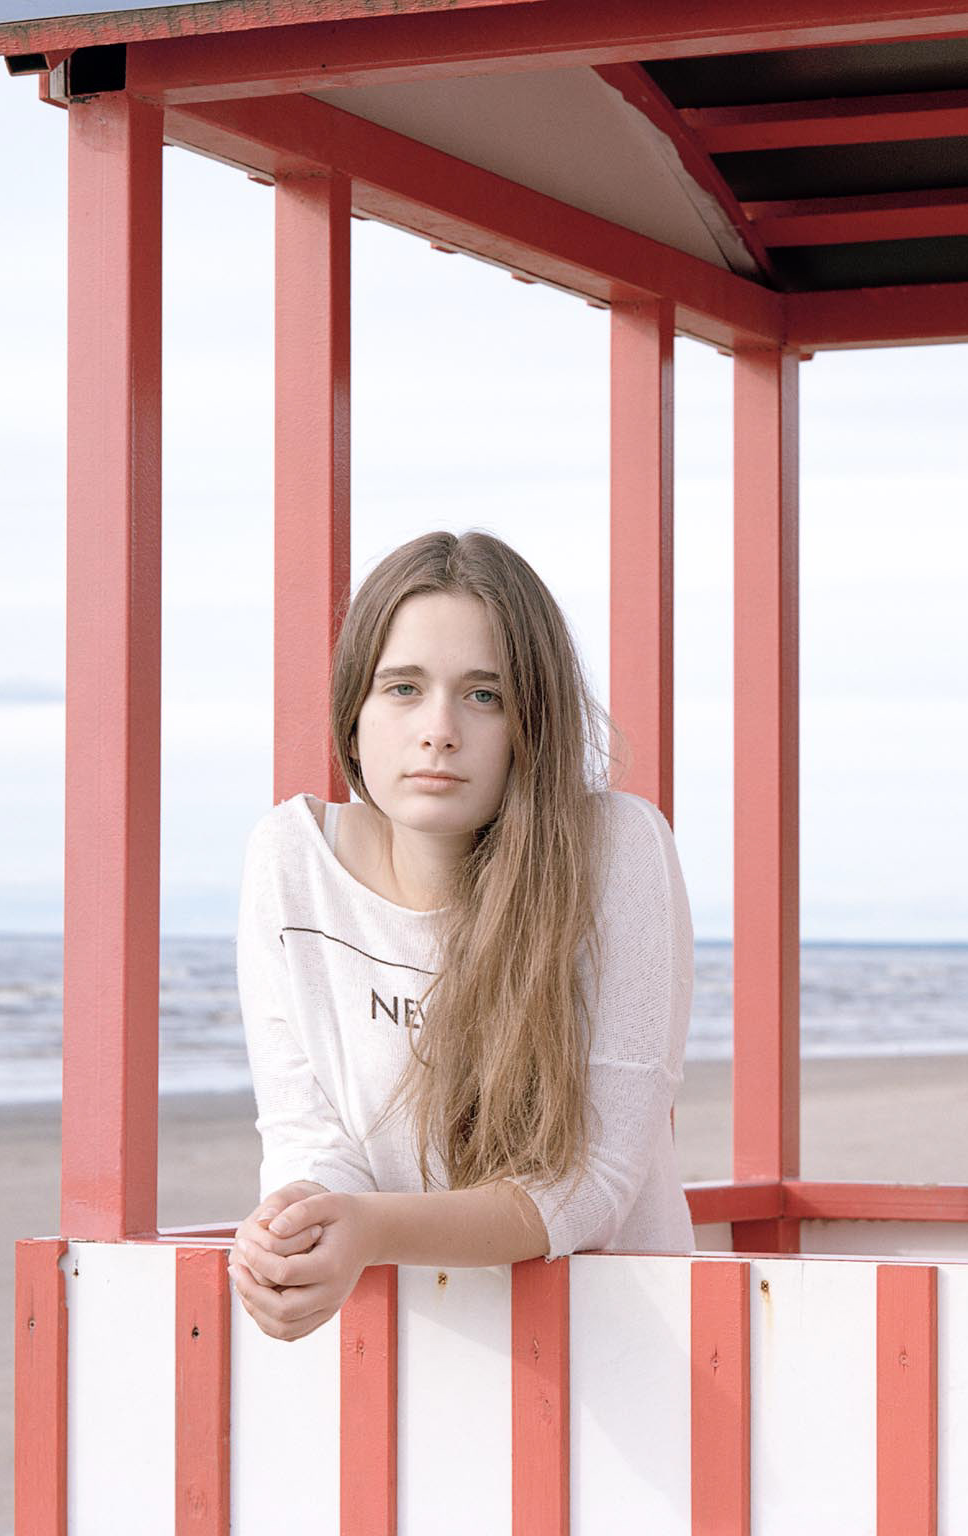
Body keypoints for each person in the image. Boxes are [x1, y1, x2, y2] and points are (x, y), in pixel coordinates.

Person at [228, 529, 695, 1342]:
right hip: (410, 1347)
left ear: (532, 721)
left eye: (486, 695)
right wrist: (295, 1229)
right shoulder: (290, 860)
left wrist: (370, 1229)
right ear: (355, 707)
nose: (438, 729)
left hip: (621, 1350)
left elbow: (594, 1186)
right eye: (403, 688)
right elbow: (309, 1135)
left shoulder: (616, 850)